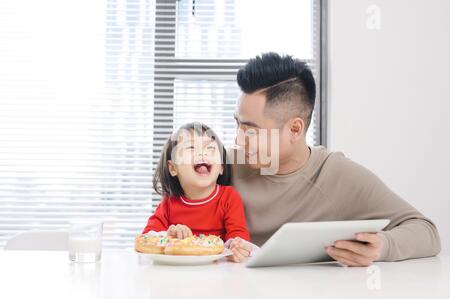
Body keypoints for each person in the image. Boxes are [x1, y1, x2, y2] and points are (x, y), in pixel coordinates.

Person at [228, 52, 441, 266]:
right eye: (237, 123)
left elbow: (425, 231)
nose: (238, 139)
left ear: (294, 129)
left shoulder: (337, 175)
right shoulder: (220, 165)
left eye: (251, 130)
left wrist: (382, 246)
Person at [141, 122, 256, 262]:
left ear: (221, 167)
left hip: (217, 273)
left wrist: (236, 247)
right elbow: (147, 237)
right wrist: (168, 235)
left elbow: (238, 235)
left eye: (211, 148)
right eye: (191, 147)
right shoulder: (169, 203)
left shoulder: (228, 197)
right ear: (173, 168)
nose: (203, 153)